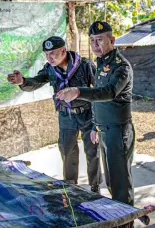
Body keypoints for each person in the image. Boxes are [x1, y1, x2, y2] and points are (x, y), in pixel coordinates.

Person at [7, 36, 101, 193]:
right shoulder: (50, 69)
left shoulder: (85, 65)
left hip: (87, 114)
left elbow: (99, 92)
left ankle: (95, 186)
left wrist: (97, 123)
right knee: (67, 150)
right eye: (46, 54)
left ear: (63, 50)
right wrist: (23, 81)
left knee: (92, 151)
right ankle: (71, 187)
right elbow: (36, 81)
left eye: (52, 53)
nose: (49, 57)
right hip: (66, 116)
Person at [56, 21, 135, 209]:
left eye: (99, 40)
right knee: (110, 180)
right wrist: (94, 126)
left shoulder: (121, 67)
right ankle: (118, 216)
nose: (95, 45)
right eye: (92, 40)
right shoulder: (101, 64)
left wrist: (78, 92)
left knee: (120, 182)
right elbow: (97, 100)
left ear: (112, 40)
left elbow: (108, 92)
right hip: (104, 129)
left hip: (118, 130)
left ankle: (126, 220)